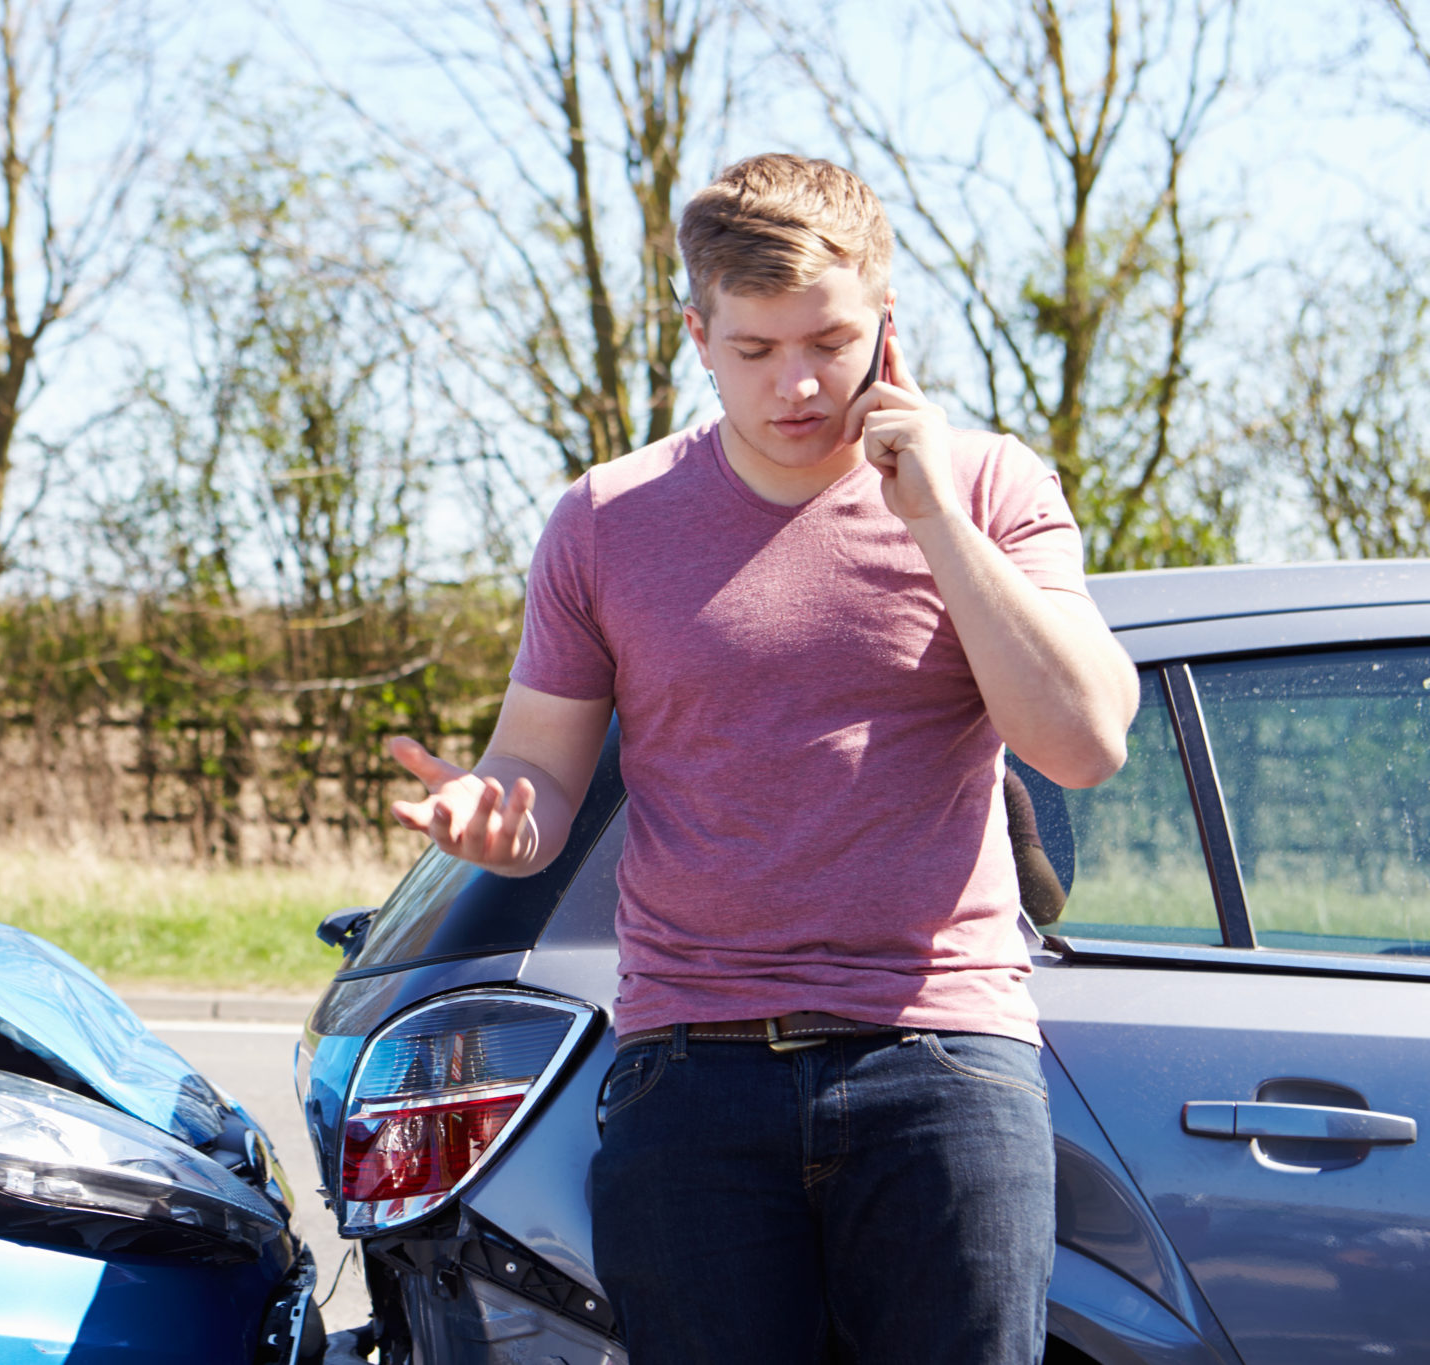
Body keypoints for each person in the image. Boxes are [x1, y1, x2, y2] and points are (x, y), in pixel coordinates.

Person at [384, 153, 1138, 1364]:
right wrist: (494, 817)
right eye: (752, 350)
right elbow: (536, 777)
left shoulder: (989, 485)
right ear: (696, 332)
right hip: (691, 1072)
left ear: (886, 329)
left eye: (829, 342)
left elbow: (1083, 742)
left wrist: (932, 514)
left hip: (938, 1058)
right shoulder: (604, 522)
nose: (795, 383)